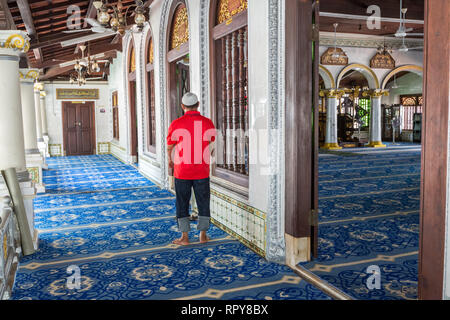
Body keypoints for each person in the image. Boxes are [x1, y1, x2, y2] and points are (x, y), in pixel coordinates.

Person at [167, 92, 216, 245]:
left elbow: (170, 146)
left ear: (183, 106)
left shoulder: (176, 123)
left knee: (182, 202)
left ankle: (185, 237)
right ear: (198, 104)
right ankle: (203, 235)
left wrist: (170, 160)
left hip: (182, 171)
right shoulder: (207, 122)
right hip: (201, 170)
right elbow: (212, 146)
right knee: (203, 201)